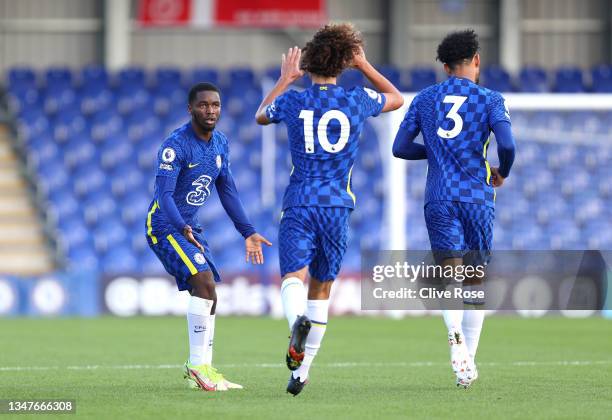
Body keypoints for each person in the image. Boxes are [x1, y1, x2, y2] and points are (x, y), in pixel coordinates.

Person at [255, 23, 404, 396]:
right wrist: (365, 66)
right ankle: (301, 373)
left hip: (300, 201)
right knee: (322, 286)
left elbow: (261, 115)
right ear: (343, 63)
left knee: (292, 277)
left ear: (308, 61)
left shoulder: (292, 101)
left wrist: (285, 79)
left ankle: (296, 324)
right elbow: (397, 98)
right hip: (337, 206)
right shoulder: (357, 100)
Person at [392, 29, 516, 388]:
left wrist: (435, 151)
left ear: (445, 67)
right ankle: (468, 361)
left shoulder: (425, 98)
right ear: (476, 61)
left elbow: (400, 148)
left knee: (450, 272)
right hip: (477, 197)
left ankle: (454, 340)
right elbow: (507, 146)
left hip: (439, 195)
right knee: (476, 277)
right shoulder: (491, 99)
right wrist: (500, 172)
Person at [145, 82, 272, 392]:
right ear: (190, 109)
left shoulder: (220, 144)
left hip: (189, 226)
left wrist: (248, 231)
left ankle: (204, 368)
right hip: (164, 225)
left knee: (208, 293)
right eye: (203, 105)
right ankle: (198, 367)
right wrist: (181, 226)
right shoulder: (175, 145)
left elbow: (227, 190)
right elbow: (163, 194)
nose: (210, 110)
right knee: (204, 282)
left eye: (215, 105)